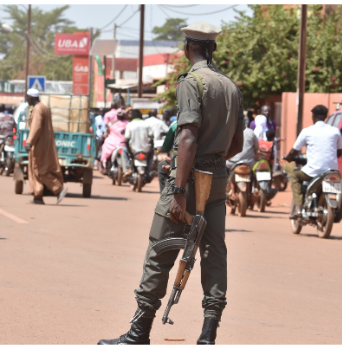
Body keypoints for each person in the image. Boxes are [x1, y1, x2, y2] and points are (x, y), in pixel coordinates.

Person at [98, 21, 245, 345]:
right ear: (213, 48)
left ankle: (139, 332)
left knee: (159, 253)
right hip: (217, 179)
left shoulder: (191, 83)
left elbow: (188, 138)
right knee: (214, 253)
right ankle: (208, 335)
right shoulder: (231, 87)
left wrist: (178, 190)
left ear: (187, 48)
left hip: (189, 180)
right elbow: (237, 144)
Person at [284, 105, 342, 218]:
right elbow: (339, 152)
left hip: (312, 172)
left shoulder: (307, 131)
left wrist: (288, 157)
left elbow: (295, 150)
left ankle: (298, 208)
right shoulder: (335, 131)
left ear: (314, 116)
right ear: (326, 116)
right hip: (332, 172)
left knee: (296, 176)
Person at [24, 88, 67, 205]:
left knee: (40, 169)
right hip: (42, 143)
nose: (26, 99)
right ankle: (38, 196)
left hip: (39, 144)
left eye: (27, 97)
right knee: (36, 170)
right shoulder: (43, 107)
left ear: (31, 97)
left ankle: (58, 189)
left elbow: (36, 127)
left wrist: (29, 142)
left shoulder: (38, 109)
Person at [124, 108, 153, 178]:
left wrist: (130, 152)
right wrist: (150, 148)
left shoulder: (129, 125)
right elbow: (151, 138)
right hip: (146, 150)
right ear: (140, 115)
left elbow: (126, 140)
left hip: (133, 150)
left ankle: (128, 169)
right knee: (152, 153)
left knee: (124, 151)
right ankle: (149, 169)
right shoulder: (146, 124)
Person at [100, 109, 130, 174]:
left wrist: (104, 136)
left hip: (112, 144)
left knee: (104, 149)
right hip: (124, 144)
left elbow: (106, 133)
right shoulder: (129, 124)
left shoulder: (112, 124)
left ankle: (104, 166)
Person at [157, 116, 177, 192]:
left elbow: (166, 147)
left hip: (180, 161)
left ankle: (164, 196)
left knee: (161, 166)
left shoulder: (175, 125)